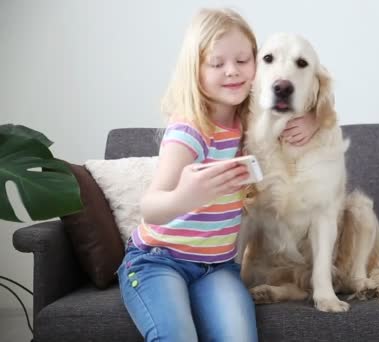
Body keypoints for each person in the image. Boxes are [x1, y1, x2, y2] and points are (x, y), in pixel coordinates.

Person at [117, 8, 319, 341]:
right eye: (217, 63)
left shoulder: (253, 121)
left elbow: (309, 97)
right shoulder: (189, 129)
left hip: (217, 266)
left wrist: (309, 120)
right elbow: (150, 207)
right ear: (195, 70)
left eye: (243, 60)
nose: (232, 72)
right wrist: (186, 197)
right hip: (158, 261)